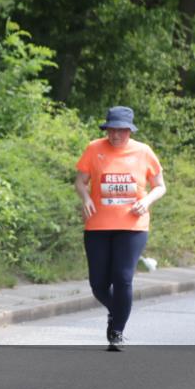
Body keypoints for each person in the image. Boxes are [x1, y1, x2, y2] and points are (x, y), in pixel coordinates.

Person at [74, 106, 166, 350]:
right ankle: (117, 311)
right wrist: (86, 198)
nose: (115, 135)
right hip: (98, 224)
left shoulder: (143, 151)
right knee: (98, 284)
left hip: (132, 226)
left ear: (130, 130)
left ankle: (116, 331)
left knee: (123, 279)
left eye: (121, 131)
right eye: (111, 130)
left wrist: (146, 202)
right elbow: (80, 181)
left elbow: (159, 186)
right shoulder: (94, 149)